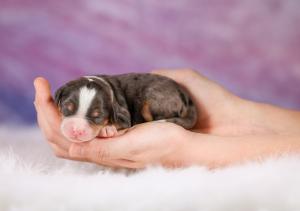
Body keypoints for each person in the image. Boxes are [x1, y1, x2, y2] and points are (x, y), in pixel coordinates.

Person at [33, 69, 300, 169]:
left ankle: (167, 117)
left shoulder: (117, 104)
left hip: (164, 98)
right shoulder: (87, 92)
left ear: (109, 110)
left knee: (152, 100)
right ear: (59, 99)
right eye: (68, 109)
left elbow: (123, 118)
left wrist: (116, 127)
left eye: (96, 118)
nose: (78, 127)